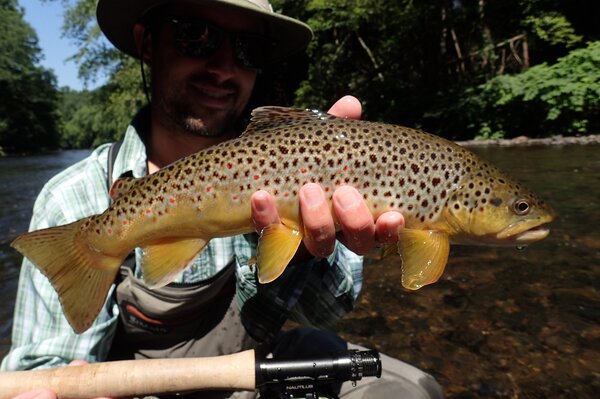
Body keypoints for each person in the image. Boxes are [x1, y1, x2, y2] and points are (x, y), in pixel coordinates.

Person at [3, 1, 443, 398]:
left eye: (248, 48)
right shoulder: (73, 197)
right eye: (197, 35)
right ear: (148, 43)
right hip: (131, 387)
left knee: (410, 389)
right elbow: (48, 366)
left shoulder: (313, 163)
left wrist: (306, 251)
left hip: (254, 371)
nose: (223, 67)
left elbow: (329, 310)